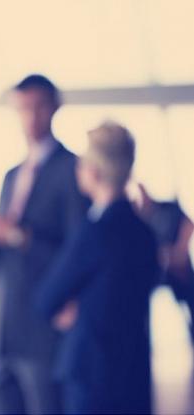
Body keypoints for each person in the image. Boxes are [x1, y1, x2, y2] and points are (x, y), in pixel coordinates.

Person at [0, 74, 89, 414]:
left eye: (37, 107)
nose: (30, 118)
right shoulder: (12, 175)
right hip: (4, 327)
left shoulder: (74, 170)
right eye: (22, 109)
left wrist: (22, 237)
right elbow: (2, 257)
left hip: (43, 329)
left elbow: (78, 252)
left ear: (54, 108)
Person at [35, 122, 158, 414]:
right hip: (134, 374)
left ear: (94, 171)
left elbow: (46, 299)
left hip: (92, 375)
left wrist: (78, 309)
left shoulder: (94, 231)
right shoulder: (145, 232)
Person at [131, 182, 194, 341]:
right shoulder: (137, 220)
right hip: (155, 274)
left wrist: (179, 252)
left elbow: (189, 224)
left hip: (179, 270)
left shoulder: (166, 208)